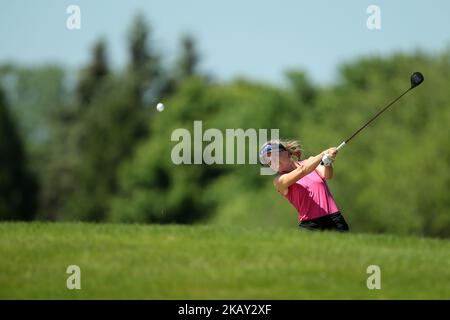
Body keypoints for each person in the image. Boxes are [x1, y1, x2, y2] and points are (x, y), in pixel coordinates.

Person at [259, 140, 349, 232]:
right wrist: (323, 154)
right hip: (311, 225)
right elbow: (303, 170)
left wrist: (328, 162)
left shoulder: (310, 163)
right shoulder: (279, 181)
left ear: (287, 153)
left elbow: (327, 175)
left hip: (335, 219)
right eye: (269, 162)